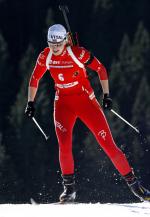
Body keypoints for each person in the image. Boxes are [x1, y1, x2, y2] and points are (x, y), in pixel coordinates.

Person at [25, 24, 150, 203]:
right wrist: (30, 102)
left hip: (86, 103)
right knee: (64, 145)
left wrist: (106, 95)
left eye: (58, 44)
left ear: (65, 41)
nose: (55, 48)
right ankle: (69, 189)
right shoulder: (45, 56)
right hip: (63, 105)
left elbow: (101, 69)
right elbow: (34, 78)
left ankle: (136, 187)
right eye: (51, 44)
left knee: (108, 145)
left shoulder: (77, 53)